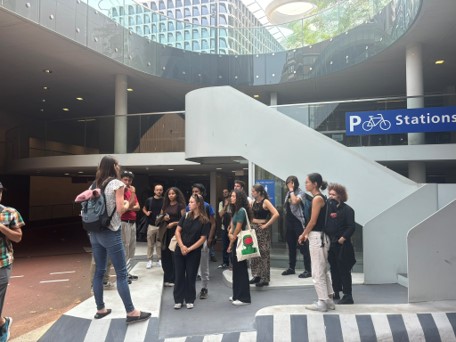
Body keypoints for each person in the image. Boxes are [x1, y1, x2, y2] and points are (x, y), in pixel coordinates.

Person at [89, 156, 150, 324]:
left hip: (94, 233)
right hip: (111, 232)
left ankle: (100, 309)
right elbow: (121, 210)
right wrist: (128, 199)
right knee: (122, 274)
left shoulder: (94, 184)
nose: (119, 167)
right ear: (114, 167)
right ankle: (131, 312)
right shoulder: (117, 184)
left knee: (99, 272)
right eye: (118, 165)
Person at [298, 173, 335, 312]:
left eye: (307, 182)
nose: (305, 184)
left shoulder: (317, 199)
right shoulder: (321, 198)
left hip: (317, 237)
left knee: (317, 271)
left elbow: (312, 221)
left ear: (315, 184)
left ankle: (322, 302)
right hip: (322, 238)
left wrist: (303, 234)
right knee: (323, 270)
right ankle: (329, 299)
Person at [173, 194, 210, 309]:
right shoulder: (185, 216)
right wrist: (182, 246)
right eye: (189, 202)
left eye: (192, 202)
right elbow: (177, 231)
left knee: (191, 275)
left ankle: (190, 299)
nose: (189, 204)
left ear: (198, 204)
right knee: (179, 275)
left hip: (193, 252)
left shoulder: (205, 221)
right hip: (180, 250)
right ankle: (178, 300)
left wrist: (189, 249)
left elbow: (203, 238)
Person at [0, 182, 24, 341]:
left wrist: (1, 227)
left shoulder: (10, 213)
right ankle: (4, 322)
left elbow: (18, 237)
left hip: (2, 263)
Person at [326, 183, 356, 305]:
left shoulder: (348, 210)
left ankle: (348, 295)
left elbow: (351, 226)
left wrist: (342, 238)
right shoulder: (328, 208)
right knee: (334, 269)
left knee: (344, 270)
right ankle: (336, 291)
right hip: (331, 243)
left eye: (333, 194)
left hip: (343, 244)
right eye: (330, 194)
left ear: (340, 196)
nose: (331, 196)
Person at [249, 184, 279, 287]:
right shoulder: (252, 202)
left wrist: (266, 225)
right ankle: (256, 275)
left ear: (259, 192)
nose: (252, 193)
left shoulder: (265, 201)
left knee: (263, 252)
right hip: (253, 228)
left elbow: (276, 214)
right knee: (254, 252)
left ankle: (264, 277)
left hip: (262, 229)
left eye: (253, 191)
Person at [189, 183, 215, 300]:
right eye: (194, 191)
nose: (195, 193)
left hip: (203, 239)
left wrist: (209, 237)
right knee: (191, 265)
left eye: (197, 192)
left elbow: (213, 223)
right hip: (191, 240)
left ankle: (204, 288)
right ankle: (190, 289)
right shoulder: (189, 206)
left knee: (204, 265)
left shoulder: (207, 206)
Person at [282, 175, 311, 278]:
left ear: (294, 183)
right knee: (291, 246)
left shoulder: (301, 193)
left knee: (303, 246)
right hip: (289, 223)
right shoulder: (288, 193)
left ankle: (308, 269)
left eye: (290, 183)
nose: (288, 185)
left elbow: (294, 201)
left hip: (298, 222)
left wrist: (291, 190)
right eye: (287, 184)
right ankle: (291, 268)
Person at [227, 189, 252, 305]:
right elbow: (231, 228)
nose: (231, 198)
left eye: (234, 196)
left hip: (239, 241)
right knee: (236, 269)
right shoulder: (235, 210)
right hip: (235, 240)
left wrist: (231, 241)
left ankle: (244, 298)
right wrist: (230, 236)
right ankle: (237, 295)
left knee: (241, 270)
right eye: (231, 196)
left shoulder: (241, 211)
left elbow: (238, 228)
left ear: (239, 198)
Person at [159, 187, 186, 287]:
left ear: (177, 195)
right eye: (169, 194)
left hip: (176, 233)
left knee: (174, 255)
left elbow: (184, 220)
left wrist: (174, 223)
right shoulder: (165, 205)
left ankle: (175, 278)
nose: (171, 195)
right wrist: (163, 217)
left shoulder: (180, 206)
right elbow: (160, 217)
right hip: (165, 232)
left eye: (173, 194)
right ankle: (168, 277)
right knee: (165, 254)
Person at [120, 170, 140, 281]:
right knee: (125, 248)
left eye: (130, 180)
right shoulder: (120, 191)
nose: (128, 182)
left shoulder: (130, 191)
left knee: (131, 248)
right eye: (125, 179)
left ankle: (127, 272)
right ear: (121, 180)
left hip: (132, 222)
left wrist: (129, 205)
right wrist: (132, 196)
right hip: (124, 222)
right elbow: (128, 207)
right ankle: (124, 274)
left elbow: (138, 207)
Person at [143, 184, 164, 269]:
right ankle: (149, 260)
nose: (159, 191)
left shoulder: (165, 200)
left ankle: (160, 259)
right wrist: (146, 213)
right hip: (151, 225)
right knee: (150, 244)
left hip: (161, 225)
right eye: (157, 190)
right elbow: (144, 208)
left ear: (162, 191)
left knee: (160, 244)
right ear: (154, 191)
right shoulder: (149, 200)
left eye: (160, 190)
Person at [217, 188, 231, 269]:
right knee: (225, 245)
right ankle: (225, 262)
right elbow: (220, 215)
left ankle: (233, 263)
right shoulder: (221, 203)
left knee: (232, 245)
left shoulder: (233, 203)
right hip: (224, 227)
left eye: (226, 192)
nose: (225, 193)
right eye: (223, 192)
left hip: (232, 227)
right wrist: (225, 205)